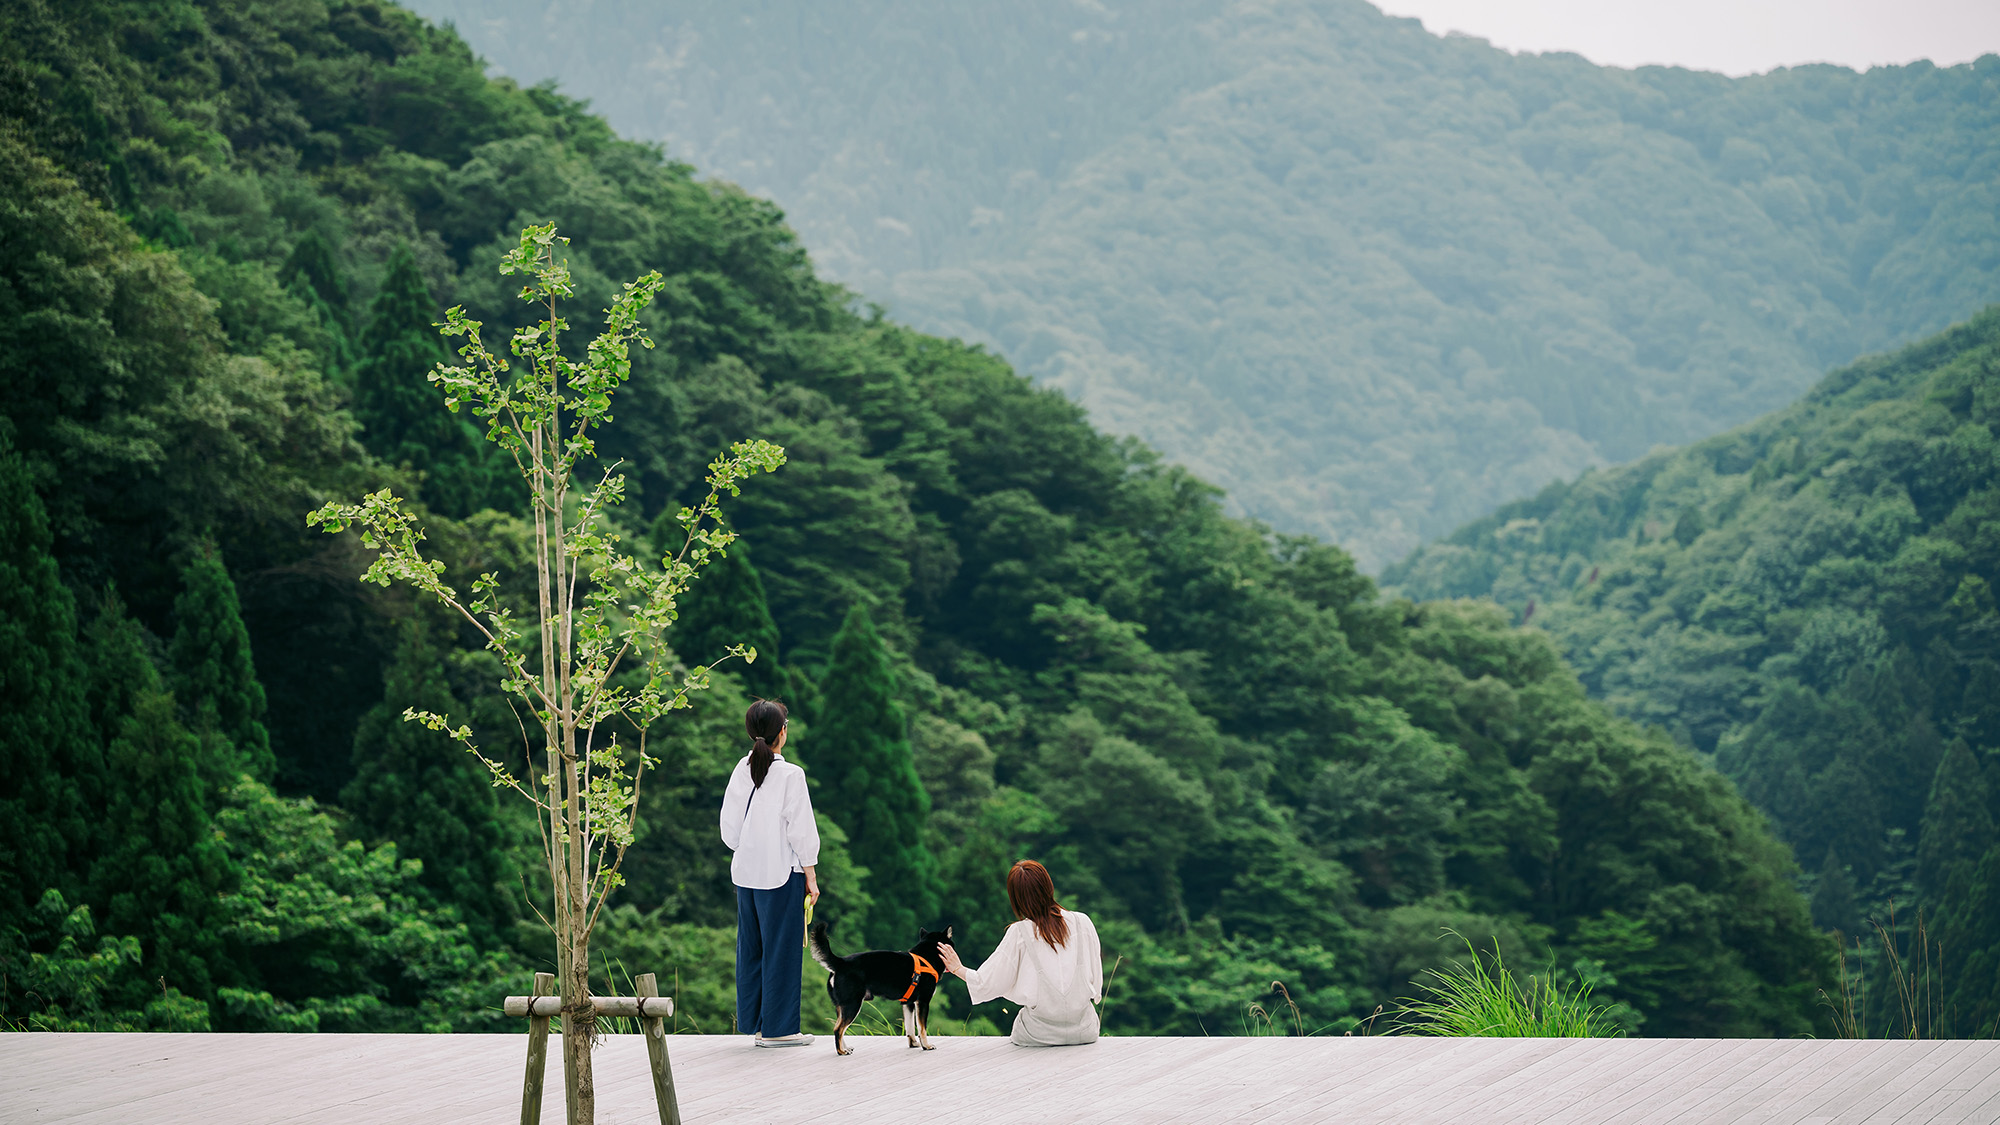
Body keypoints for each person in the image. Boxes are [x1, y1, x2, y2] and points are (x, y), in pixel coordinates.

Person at [719, 699, 821, 1047]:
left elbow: (729, 831)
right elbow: (802, 831)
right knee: (782, 949)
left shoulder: (740, 768)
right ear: (782, 732)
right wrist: (811, 875)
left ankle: (755, 1024)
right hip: (782, 874)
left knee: (752, 949)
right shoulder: (791, 774)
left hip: (746, 874)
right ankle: (779, 1031)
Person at [937, 859, 1102, 1046]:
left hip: (1038, 1036)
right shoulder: (1083, 923)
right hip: (1085, 1032)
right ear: (1049, 886)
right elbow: (1095, 978)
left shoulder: (1019, 933)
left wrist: (957, 968)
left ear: (1016, 899)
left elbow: (987, 983)